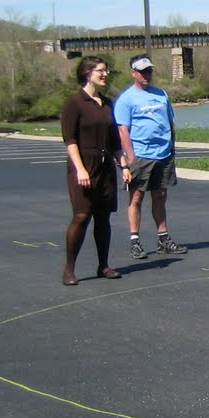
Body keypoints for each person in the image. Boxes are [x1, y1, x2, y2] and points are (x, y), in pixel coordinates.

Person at [60, 55, 127, 285]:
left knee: (103, 217)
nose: (105, 74)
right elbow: (70, 140)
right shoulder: (74, 103)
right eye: (101, 70)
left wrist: (123, 165)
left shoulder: (107, 103)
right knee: (81, 215)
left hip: (105, 165)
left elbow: (114, 141)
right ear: (88, 73)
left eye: (106, 70)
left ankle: (103, 265)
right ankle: (69, 269)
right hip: (83, 165)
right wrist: (80, 169)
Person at [113, 55, 188, 260]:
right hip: (141, 156)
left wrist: (171, 147)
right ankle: (134, 241)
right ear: (133, 73)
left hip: (163, 154)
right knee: (136, 198)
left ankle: (163, 239)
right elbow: (123, 131)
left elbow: (170, 123)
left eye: (149, 71)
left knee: (160, 195)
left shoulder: (161, 95)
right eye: (142, 71)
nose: (146, 75)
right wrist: (131, 158)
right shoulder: (126, 99)